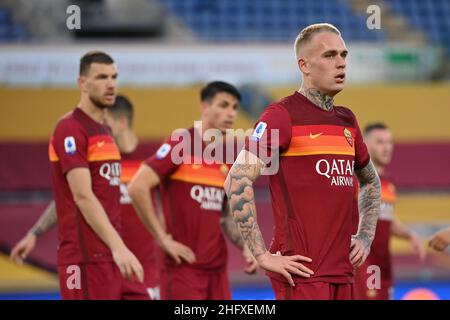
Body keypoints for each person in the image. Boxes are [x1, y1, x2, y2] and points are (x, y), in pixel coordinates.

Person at [224, 23, 381, 300]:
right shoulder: (281, 115)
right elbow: (237, 179)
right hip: (302, 275)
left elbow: (370, 181)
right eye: (330, 55)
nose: (341, 63)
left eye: (344, 55)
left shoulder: (348, 121)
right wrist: (262, 254)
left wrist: (365, 237)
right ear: (304, 65)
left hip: (344, 272)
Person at [10, 95, 157, 300]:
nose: (100, 128)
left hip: (142, 268)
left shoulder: (151, 159)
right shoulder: (94, 156)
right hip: (101, 262)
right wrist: (35, 233)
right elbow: (70, 197)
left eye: (105, 123)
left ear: (122, 122)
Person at [128, 81, 258, 300]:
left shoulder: (223, 159)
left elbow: (226, 217)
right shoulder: (182, 143)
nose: (230, 113)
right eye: (223, 105)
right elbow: (137, 187)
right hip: (182, 270)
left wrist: (246, 245)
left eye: (235, 107)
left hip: (217, 272)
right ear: (204, 107)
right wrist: (162, 239)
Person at [47, 51, 143, 299]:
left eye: (114, 77)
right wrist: (119, 247)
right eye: (101, 77)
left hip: (110, 256)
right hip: (83, 261)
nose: (110, 84)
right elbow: (82, 197)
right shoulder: (70, 128)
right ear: (82, 83)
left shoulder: (105, 131)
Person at [353, 123, 426, 300]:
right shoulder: (355, 179)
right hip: (362, 263)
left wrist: (410, 235)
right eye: (380, 142)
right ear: (366, 144)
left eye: (390, 142)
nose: (387, 148)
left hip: (383, 263)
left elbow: (386, 218)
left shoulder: (388, 182)